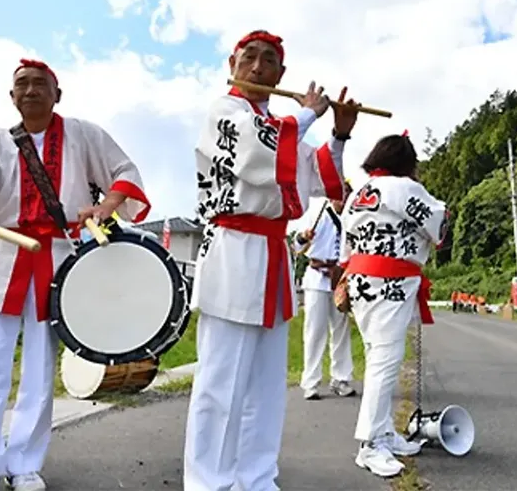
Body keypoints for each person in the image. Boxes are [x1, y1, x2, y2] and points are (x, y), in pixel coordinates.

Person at [0, 59, 151, 491]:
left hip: (58, 260)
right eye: (23, 84)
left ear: (58, 94)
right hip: (3, 254)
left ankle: (24, 464)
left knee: (40, 370)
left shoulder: (84, 134)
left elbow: (124, 173)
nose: (32, 89)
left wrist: (105, 207)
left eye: (41, 83)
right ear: (11, 95)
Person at [184, 29, 359, 491]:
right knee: (221, 381)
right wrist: (307, 113)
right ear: (232, 64)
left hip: (273, 256)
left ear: (281, 73)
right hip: (234, 250)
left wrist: (338, 134)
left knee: (265, 387)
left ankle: (257, 477)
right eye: (250, 58)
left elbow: (322, 179)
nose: (259, 67)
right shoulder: (226, 112)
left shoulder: (283, 128)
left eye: (269, 61)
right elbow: (256, 148)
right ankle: (208, 483)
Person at [338, 133, 447, 479]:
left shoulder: (358, 192)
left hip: (360, 279)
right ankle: (370, 444)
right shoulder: (406, 188)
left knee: (377, 356)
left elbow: (346, 244)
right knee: (385, 360)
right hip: (392, 282)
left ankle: (384, 432)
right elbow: (439, 227)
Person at [293, 181, 357, 401]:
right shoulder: (317, 213)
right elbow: (297, 247)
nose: (343, 198)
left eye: (347, 193)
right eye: (340, 193)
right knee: (315, 332)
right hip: (317, 278)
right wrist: (303, 237)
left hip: (340, 279)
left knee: (341, 330)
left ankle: (341, 378)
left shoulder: (352, 218)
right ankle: (310, 382)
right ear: (331, 196)